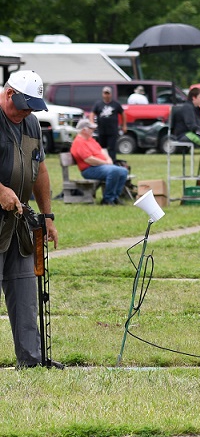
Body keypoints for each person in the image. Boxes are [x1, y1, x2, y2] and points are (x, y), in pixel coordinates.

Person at [0, 70, 61, 368]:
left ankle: (32, 361)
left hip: (20, 222)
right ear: (9, 93)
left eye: (33, 107)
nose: (28, 111)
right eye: (24, 104)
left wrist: (47, 216)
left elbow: (42, 170)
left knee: (25, 295)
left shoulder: (32, 123)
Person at [70, 119, 130, 205]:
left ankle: (115, 197)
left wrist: (109, 159)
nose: (93, 130)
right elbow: (89, 160)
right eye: (91, 129)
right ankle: (107, 199)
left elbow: (102, 150)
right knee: (114, 171)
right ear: (84, 130)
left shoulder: (90, 139)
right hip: (89, 169)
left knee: (123, 171)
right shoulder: (79, 142)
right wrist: (106, 163)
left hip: (100, 166)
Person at [90, 86, 127, 162]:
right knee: (101, 148)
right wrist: (92, 124)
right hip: (101, 130)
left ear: (111, 94)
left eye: (108, 93)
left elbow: (123, 114)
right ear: (102, 94)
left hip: (112, 130)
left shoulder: (116, 104)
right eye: (105, 93)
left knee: (112, 148)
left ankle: (112, 161)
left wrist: (124, 125)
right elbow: (92, 114)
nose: (106, 95)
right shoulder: (98, 104)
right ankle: (102, 161)